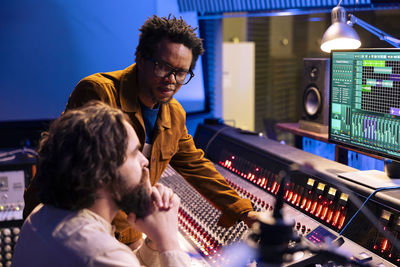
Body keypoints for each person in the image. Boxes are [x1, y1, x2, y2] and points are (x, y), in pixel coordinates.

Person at [24, 14, 258, 249]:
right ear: (141, 58)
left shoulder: (174, 113)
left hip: (127, 231)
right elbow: (61, 169)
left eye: (181, 73)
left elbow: (195, 164)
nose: (172, 80)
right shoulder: (99, 93)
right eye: (164, 67)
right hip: (77, 230)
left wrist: (244, 211)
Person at [12, 102, 191, 267]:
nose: (144, 161)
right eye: (134, 152)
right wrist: (169, 242)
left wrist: (154, 239)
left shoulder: (42, 215)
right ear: (101, 174)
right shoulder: (99, 253)